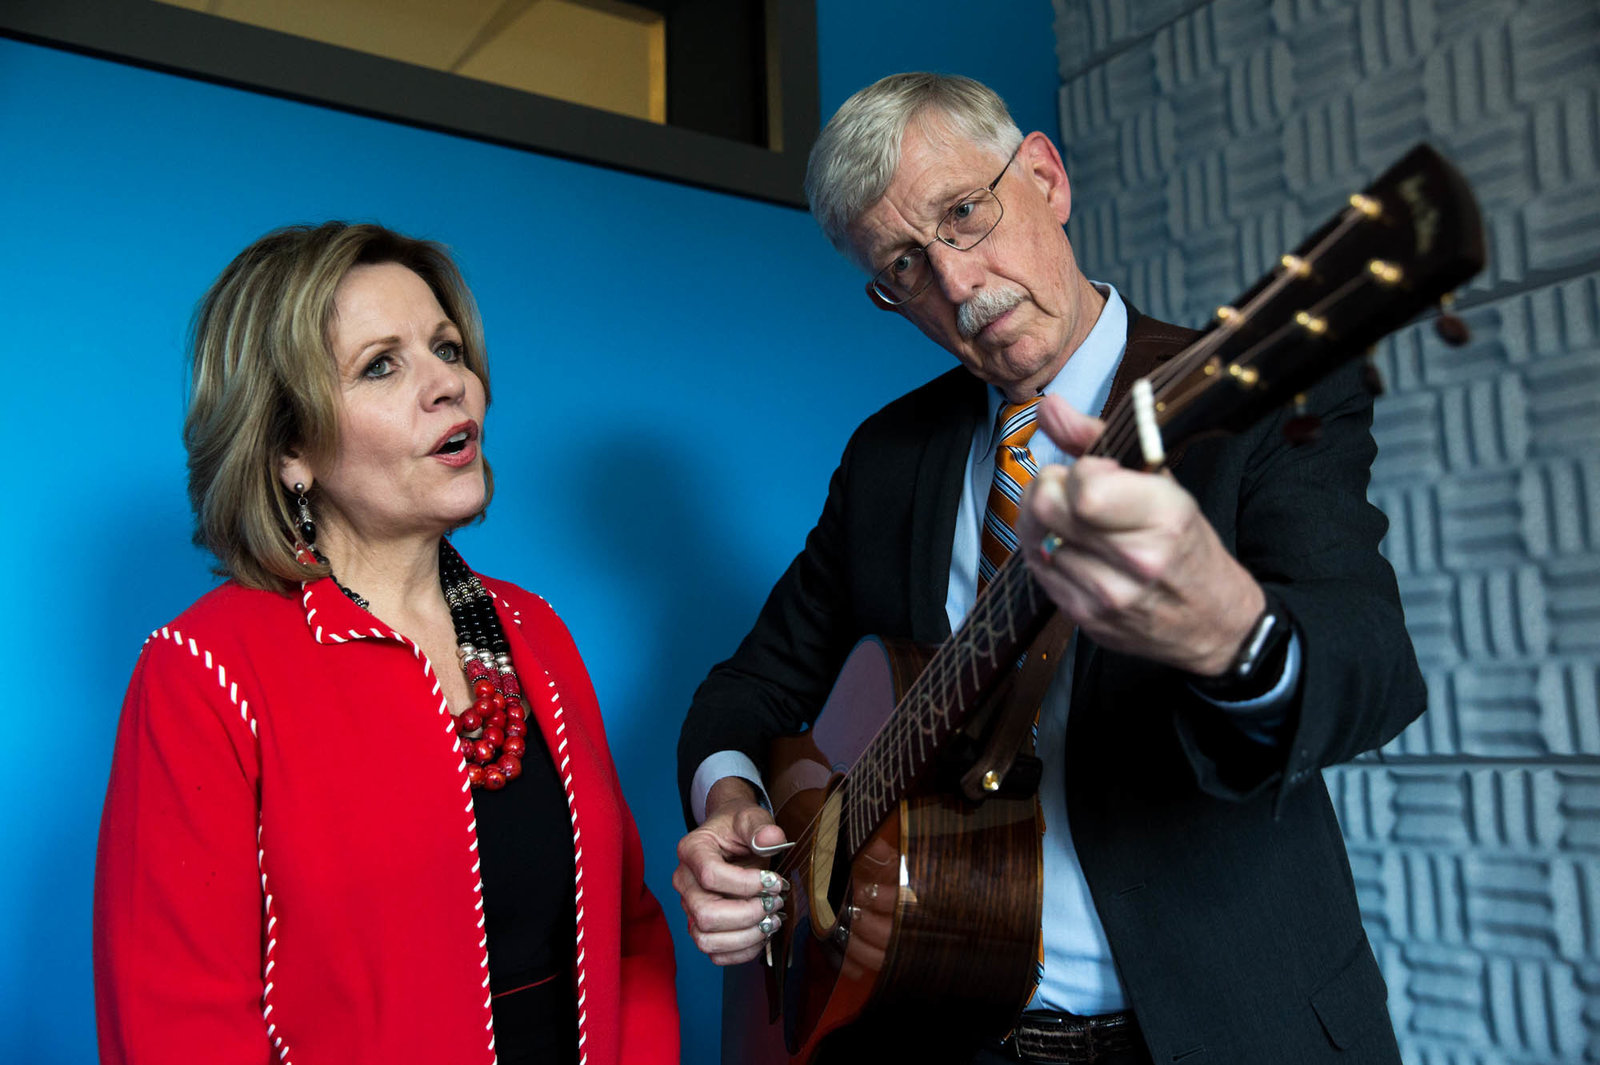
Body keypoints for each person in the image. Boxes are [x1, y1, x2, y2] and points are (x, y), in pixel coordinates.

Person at [674, 73, 1426, 1064]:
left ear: (1044, 175)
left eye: (964, 213)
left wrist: (1229, 637)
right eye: (905, 263)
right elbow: (747, 690)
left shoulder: (1247, 395)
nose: (956, 282)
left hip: (1224, 1024)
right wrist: (732, 808)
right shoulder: (888, 458)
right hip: (937, 1027)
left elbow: (1368, 664)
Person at [94, 223, 679, 1065]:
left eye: (447, 347)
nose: (449, 384)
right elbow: (177, 1029)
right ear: (290, 447)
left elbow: (630, 935)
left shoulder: (535, 629)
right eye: (382, 364)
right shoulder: (203, 671)